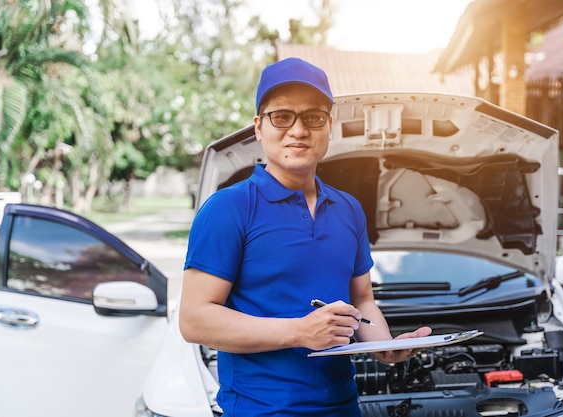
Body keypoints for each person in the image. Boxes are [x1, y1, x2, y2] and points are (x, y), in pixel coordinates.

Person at [179, 57, 432, 417]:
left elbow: (362, 301)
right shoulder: (228, 209)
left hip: (344, 407)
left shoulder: (349, 209)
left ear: (329, 126)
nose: (298, 130)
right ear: (258, 127)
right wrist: (299, 332)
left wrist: (382, 345)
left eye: (313, 117)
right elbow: (194, 320)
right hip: (261, 411)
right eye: (282, 116)